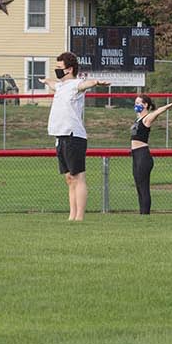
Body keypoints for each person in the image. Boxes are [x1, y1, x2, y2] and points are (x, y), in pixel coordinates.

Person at [44, 52, 110, 221]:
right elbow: (53, 84)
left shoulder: (75, 84)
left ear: (70, 69)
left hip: (74, 136)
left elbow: (85, 85)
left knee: (78, 176)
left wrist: (96, 82)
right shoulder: (60, 86)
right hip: (60, 135)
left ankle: (79, 216)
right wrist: (46, 81)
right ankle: (71, 215)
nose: (57, 70)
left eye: (60, 68)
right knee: (69, 178)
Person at [129, 95, 172, 215]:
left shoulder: (147, 119)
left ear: (145, 105)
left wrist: (168, 106)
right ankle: (142, 213)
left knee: (144, 187)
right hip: (135, 155)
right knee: (139, 187)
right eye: (135, 103)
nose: (136, 105)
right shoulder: (138, 119)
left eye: (138, 103)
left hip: (143, 155)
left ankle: (145, 214)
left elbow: (156, 112)